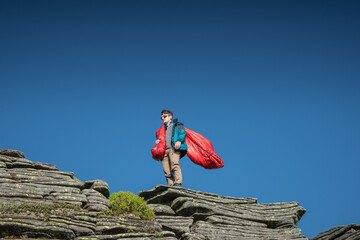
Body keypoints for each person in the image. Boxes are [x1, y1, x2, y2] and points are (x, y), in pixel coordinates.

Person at [155, 110, 188, 187]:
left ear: (170, 117)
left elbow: (182, 133)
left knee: (174, 164)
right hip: (164, 151)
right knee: (166, 170)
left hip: (174, 148)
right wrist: (158, 142)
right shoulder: (161, 130)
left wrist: (179, 141)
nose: (163, 118)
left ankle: (178, 183)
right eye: (161, 117)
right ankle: (170, 185)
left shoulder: (178, 124)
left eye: (164, 116)